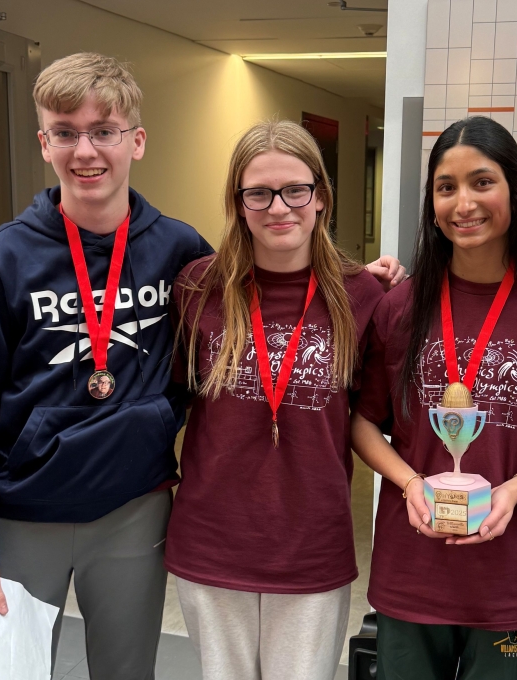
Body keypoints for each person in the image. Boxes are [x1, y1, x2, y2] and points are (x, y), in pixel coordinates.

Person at [0, 53, 214, 678]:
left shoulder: (179, 248)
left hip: (131, 509)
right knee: (9, 674)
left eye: (104, 131)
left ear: (136, 141)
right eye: (65, 132)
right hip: (22, 513)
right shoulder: (2, 259)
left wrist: (361, 282)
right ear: (44, 143)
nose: (85, 151)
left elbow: (257, 304)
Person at [350, 116, 517, 680]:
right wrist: (410, 482)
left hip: (512, 577)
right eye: (446, 187)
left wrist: (516, 489)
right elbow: (362, 422)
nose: (464, 203)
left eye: (482, 182)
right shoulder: (400, 306)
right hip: (413, 571)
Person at [166, 120, 388, 680]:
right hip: (213, 539)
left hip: (312, 542)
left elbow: (372, 416)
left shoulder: (362, 294)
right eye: (259, 193)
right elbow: (169, 400)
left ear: (321, 197)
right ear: (238, 203)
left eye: (295, 190)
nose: (279, 207)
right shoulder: (197, 288)